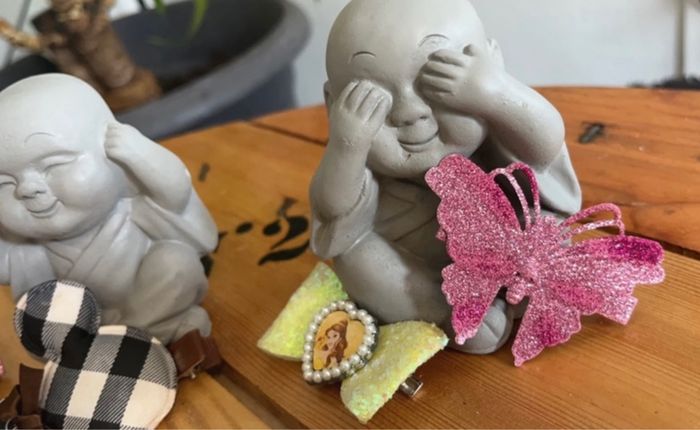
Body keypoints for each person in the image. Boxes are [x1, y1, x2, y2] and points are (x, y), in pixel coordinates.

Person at [310, 0, 582, 354]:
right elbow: (332, 209)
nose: (409, 112)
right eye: (372, 101)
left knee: (543, 225)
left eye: (438, 84)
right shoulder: (361, 163)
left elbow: (546, 146)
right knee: (356, 258)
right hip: (413, 257)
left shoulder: (495, 124)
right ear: (333, 104)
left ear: (492, 63)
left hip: (504, 236)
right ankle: (443, 313)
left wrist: (496, 94)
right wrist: (347, 145)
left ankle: (533, 281)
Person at [0, 74, 218, 344]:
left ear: (112, 154)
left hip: (144, 301)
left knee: (177, 263)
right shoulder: (27, 250)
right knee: (43, 316)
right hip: (83, 325)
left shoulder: (134, 209)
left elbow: (176, 194)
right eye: (4, 183)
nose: (27, 189)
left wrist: (142, 154)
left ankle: (122, 341)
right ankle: (144, 336)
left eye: (53, 165)